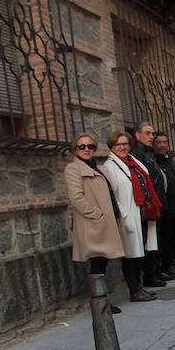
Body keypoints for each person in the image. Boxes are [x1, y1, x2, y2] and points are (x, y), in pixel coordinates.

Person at [64, 133, 125, 313]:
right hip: (93, 225)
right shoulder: (73, 169)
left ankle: (102, 301)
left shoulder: (99, 168)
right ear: (75, 149)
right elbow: (77, 198)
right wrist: (97, 214)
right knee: (97, 265)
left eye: (90, 146)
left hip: (106, 223)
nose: (86, 150)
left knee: (102, 264)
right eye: (81, 147)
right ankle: (99, 303)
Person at [103, 131, 156, 302]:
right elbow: (113, 195)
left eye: (126, 144)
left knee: (139, 252)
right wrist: (123, 216)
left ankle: (139, 287)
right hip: (127, 214)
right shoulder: (110, 167)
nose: (123, 147)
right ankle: (134, 290)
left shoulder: (133, 162)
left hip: (140, 211)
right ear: (112, 147)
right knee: (130, 254)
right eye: (119, 145)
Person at [130, 121, 171, 285]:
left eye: (152, 133)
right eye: (147, 133)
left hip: (157, 203)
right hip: (148, 204)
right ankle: (150, 275)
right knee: (149, 240)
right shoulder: (136, 154)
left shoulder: (149, 152)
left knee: (156, 239)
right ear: (137, 135)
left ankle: (156, 270)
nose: (151, 137)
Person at [154, 132, 175, 276]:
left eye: (164, 142)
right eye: (159, 142)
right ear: (154, 145)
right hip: (166, 207)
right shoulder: (155, 161)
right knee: (166, 237)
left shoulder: (170, 160)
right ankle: (166, 265)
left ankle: (172, 261)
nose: (162, 145)